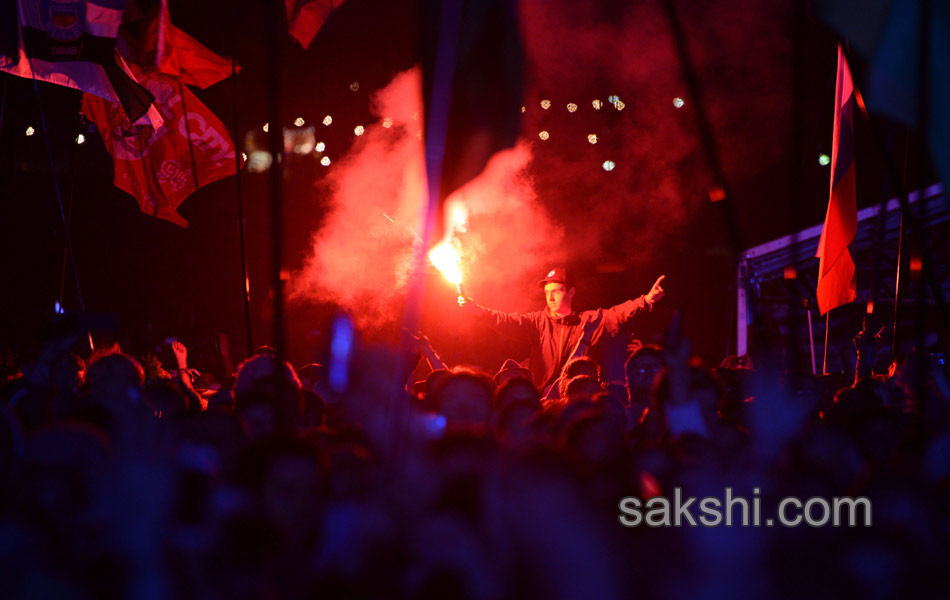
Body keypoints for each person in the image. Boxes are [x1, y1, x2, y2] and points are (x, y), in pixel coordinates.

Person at [459, 267, 666, 396]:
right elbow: (504, 320)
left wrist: (645, 300)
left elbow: (616, 314)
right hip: (543, 398)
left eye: (556, 291)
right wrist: (476, 310)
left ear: (571, 292)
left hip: (577, 397)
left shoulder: (588, 321)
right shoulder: (537, 322)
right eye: (547, 292)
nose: (550, 297)